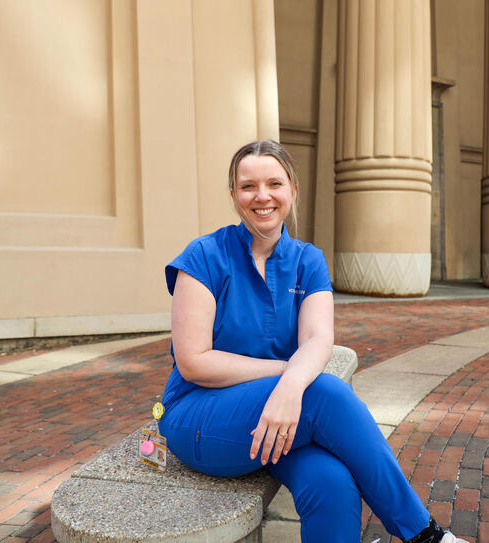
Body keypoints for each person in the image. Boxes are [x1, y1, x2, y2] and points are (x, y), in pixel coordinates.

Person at [158, 140, 466, 543]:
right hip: (201, 416)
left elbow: (319, 338)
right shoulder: (204, 256)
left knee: (332, 482)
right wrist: (289, 377)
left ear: (293, 191)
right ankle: (423, 534)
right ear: (233, 195)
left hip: (278, 412)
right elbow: (194, 362)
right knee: (324, 392)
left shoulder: (308, 260)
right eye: (248, 186)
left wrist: (288, 389)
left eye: (274, 183)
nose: (262, 196)